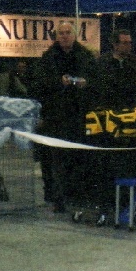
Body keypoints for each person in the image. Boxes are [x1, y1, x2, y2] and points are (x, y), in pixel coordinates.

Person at [28, 21, 98, 212]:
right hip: (55, 115)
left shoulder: (86, 56)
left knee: (78, 156)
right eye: (61, 33)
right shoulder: (47, 58)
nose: (65, 36)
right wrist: (58, 82)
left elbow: (96, 81)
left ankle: (77, 194)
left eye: (68, 32)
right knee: (54, 158)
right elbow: (38, 85)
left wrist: (86, 83)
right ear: (56, 36)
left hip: (80, 114)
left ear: (74, 35)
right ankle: (55, 195)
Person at [96, 29, 136, 109]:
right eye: (125, 43)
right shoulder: (103, 62)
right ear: (115, 45)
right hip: (108, 108)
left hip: (132, 107)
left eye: (130, 42)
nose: (129, 45)